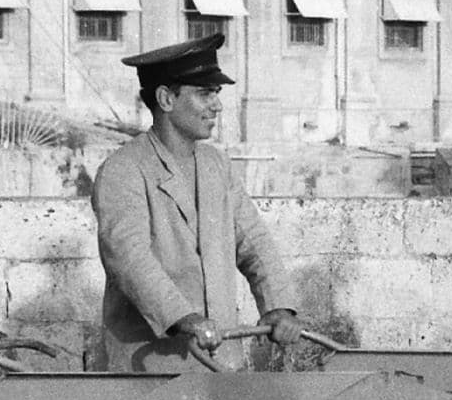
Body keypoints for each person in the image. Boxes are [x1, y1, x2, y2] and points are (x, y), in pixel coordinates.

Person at [92, 34, 300, 371]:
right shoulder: (123, 170)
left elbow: (253, 241)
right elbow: (128, 257)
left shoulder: (216, 165)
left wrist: (277, 306)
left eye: (216, 94)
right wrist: (183, 317)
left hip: (222, 361)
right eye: (204, 94)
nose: (216, 106)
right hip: (153, 367)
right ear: (166, 98)